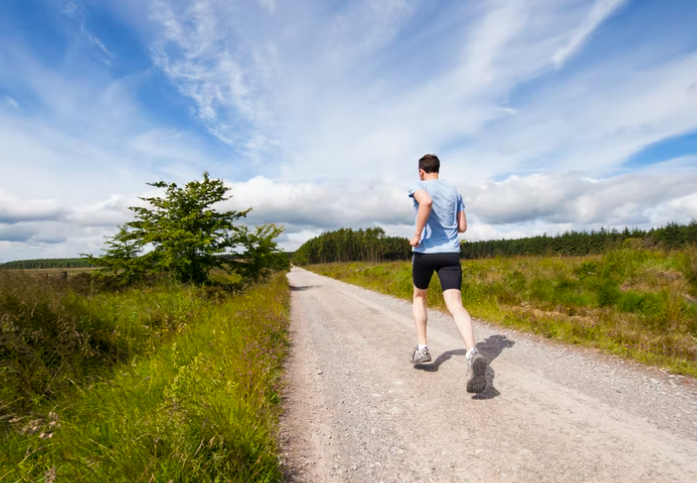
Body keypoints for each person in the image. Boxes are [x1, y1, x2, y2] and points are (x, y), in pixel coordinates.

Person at [408, 154, 488, 393]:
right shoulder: (454, 191)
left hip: (425, 253)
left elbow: (426, 202)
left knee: (419, 297)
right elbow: (462, 227)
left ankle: (422, 348)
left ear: (421, 171)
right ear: (438, 170)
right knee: (455, 304)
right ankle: (472, 352)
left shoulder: (418, 186)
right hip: (451, 254)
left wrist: (416, 234)